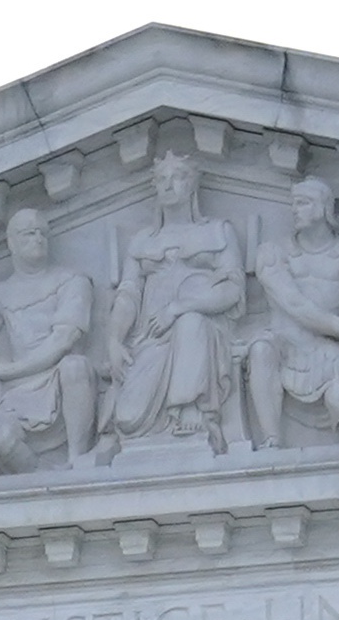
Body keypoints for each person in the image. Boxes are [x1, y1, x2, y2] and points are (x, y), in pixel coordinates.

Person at [101, 151, 245, 453]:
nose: (169, 185)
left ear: (192, 185)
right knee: (128, 418)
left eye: (178, 177)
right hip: (151, 336)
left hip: (204, 333)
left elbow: (232, 291)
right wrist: (114, 340)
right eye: (162, 179)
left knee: (190, 323)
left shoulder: (218, 231)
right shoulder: (143, 241)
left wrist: (179, 308)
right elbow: (128, 294)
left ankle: (190, 404)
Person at [0, 202, 102, 475]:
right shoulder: (2, 293)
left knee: (75, 365)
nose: (38, 238)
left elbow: (65, 340)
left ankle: (77, 460)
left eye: (42, 233)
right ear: (11, 243)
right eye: (29, 234)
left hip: (60, 381)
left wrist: (10, 370)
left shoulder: (72, 280)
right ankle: (42, 480)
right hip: (20, 391)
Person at [249, 179, 339, 447]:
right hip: (282, 345)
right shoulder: (273, 252)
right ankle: (271, 440)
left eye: (303, 203)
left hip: (325, 352)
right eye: (293, 204)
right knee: (261, 349)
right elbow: (293, 303)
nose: (295, 210)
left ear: (323, 208)